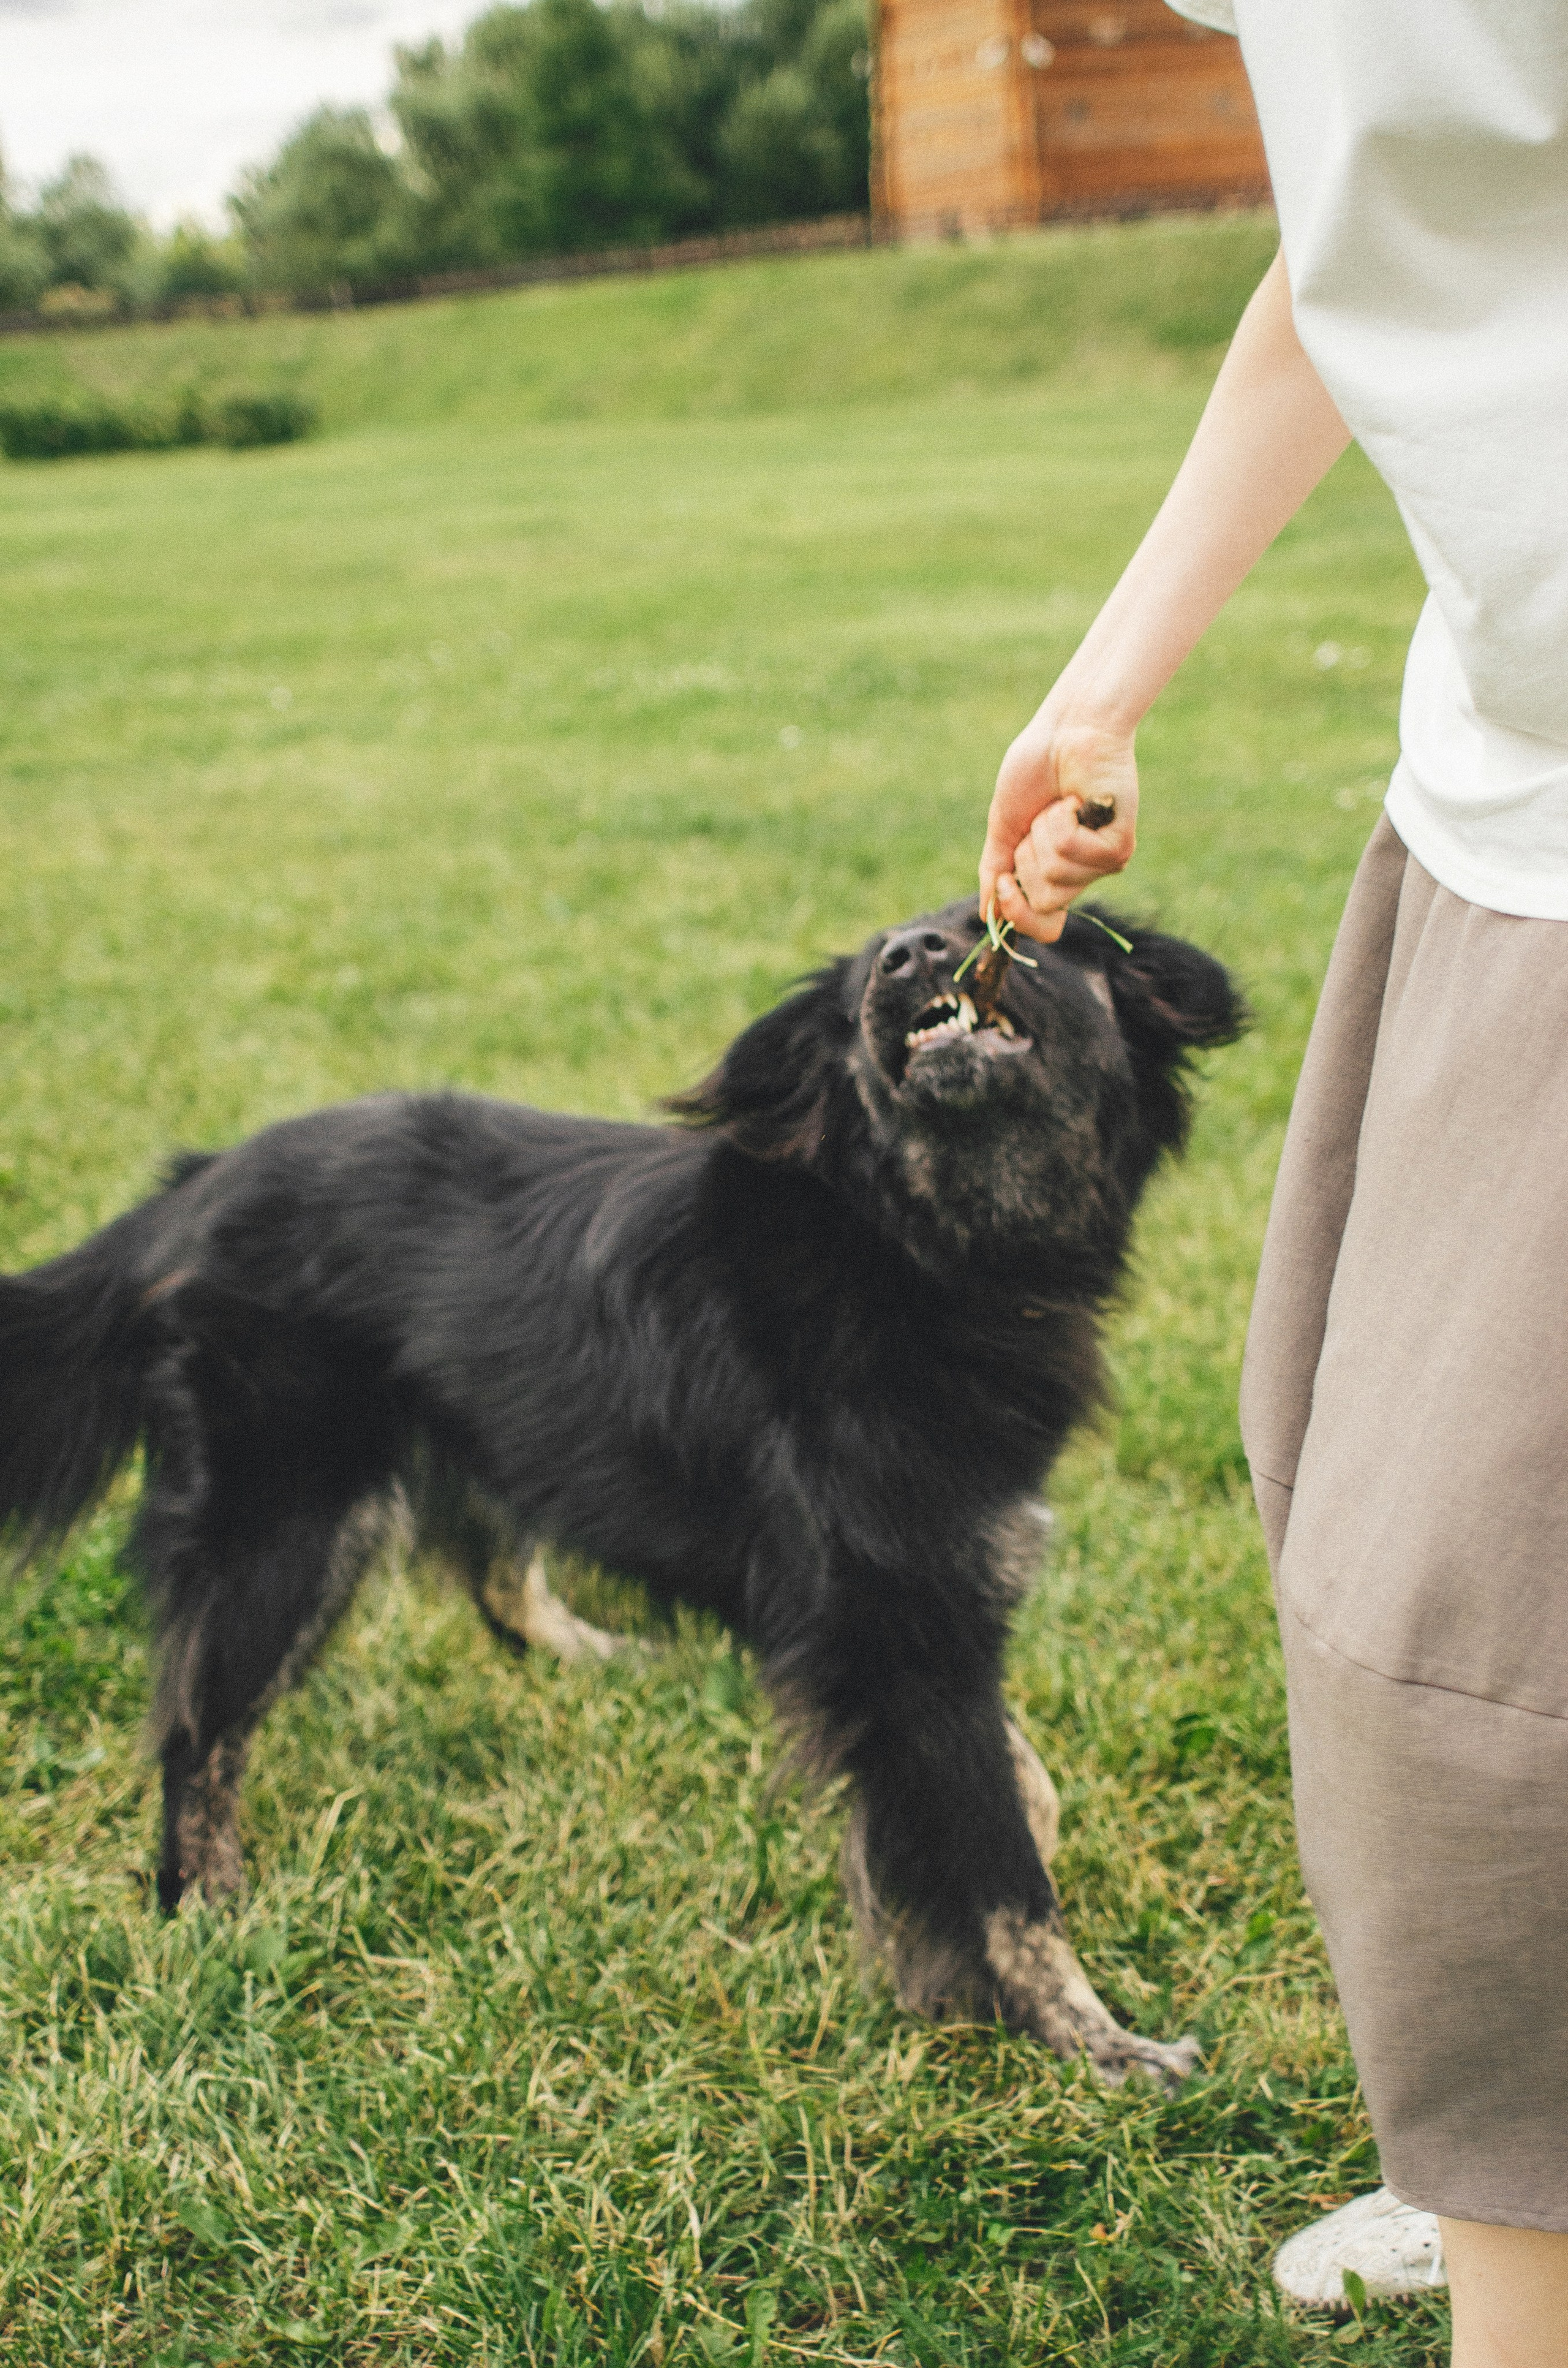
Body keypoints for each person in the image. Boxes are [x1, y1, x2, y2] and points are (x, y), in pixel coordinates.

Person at [978, 6, 1568, 2363]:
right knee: (1356, 1491)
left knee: (1472, 1661)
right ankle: (1519, 2179)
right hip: (1493, 809)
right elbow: (1360, 244)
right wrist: (1116, 673)